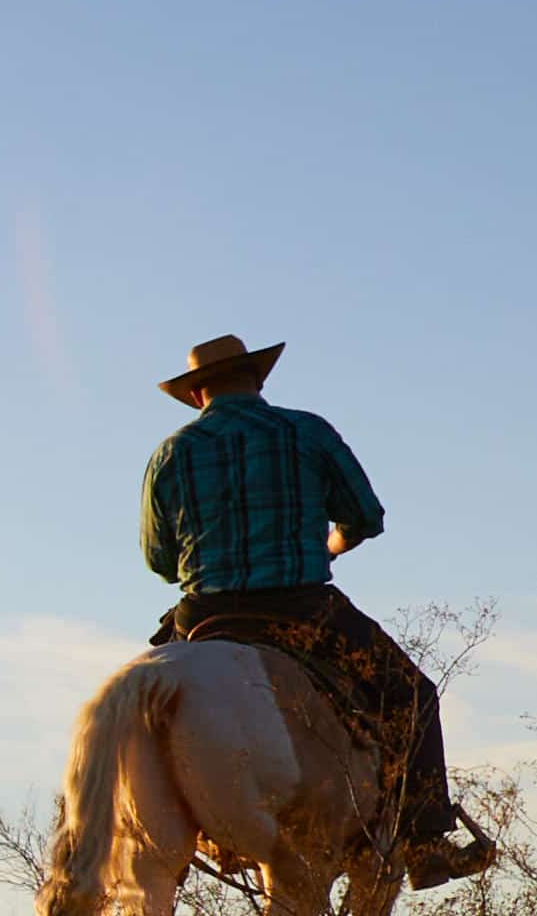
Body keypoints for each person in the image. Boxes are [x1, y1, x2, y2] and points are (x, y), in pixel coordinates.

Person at [137, 334, 492, 886]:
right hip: (301, 608)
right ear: (257, 379)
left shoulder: (171, 452)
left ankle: (142, 839)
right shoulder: (305, 431)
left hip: (202, 614)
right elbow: (366, 518)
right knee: (412, 695)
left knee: (136, 707)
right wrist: (330, 543)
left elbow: (160, 561)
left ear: (198, 392)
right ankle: (424, 843)